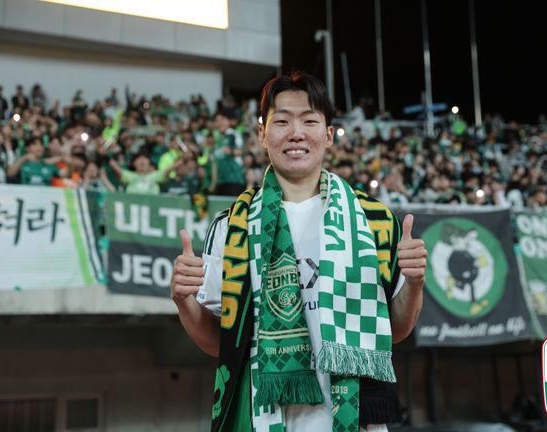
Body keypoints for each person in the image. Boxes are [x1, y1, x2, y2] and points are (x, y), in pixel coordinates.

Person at [171, 72, 426, 432]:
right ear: (262, 134)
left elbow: (396, 330)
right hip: (262, 419)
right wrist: (184, 300)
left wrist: (414, 283)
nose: (296, 133)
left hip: (354, 419)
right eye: (282, 121)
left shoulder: (374, 221)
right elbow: (217, 343)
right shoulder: (232, 228)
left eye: (309, 120)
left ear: (329, 134)